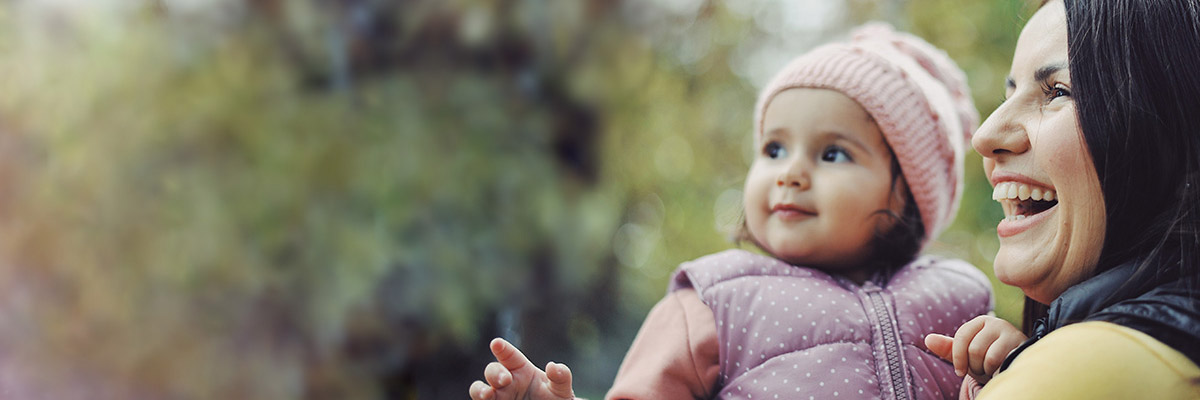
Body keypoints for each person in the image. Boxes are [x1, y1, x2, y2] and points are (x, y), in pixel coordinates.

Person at [468, 22, 991, 400]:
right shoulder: (713, 301)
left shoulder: (960, 297)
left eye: (833, 153)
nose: (790, 172)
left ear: (908, 196)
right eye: (773, 149)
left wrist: (1007, 353)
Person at [924, 0, 1200, 398]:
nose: (984, 136)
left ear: (1176, 138)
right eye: (1011, 92)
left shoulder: (1089, 370)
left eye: (1057, 91)